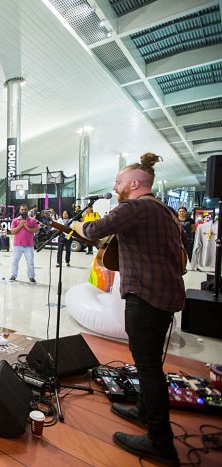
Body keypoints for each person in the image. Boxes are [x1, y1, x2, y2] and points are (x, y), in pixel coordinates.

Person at [73, 153, 184, 465]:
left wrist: (78, 223)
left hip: (145, 295)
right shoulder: (163, 209)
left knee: (148, 366)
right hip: (165, 294)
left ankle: (160, 442)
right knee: (150, 362)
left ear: (135, 183)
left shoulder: (134, 207)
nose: (115, 186)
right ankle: (144, 411)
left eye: (119, 181)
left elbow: (94, 231)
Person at [9, 204, 39, 283]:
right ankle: (13, 275)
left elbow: (37, 231)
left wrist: (27, 227)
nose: (23, 211)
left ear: (27, 210)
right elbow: (12, 232)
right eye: (22, 210)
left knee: (30, 262)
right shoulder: (15, 220)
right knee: (15, 261)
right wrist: (20, 225)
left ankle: (31, 277)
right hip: (17, 245)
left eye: (25, 210)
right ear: (19, 211)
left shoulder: (32, 220)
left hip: (29, 245)